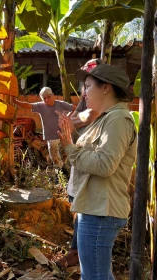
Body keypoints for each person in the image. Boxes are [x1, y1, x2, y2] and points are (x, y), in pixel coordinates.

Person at [57, 64, 137, 279]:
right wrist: (69, 137)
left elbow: (104, 165)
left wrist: (70, 148)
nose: (84, 92)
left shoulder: (118, 119)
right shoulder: (105, 118)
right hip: (95, 207)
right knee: (96, 274)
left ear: (106, 88)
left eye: (88, 86)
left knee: (94, 276)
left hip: (101, 211)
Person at [13, 87, 75, 173]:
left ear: (52, 95)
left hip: (63, 135)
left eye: (48, 97)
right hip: (51, 137)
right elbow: (27, 105)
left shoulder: (61, 104)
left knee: (65, 156)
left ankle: (66, 174)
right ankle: (60, 174)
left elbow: (74, 108)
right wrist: (16, 101)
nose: (46, 100)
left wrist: (67, 117)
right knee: (55, 158)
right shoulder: (40, 106)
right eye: (44, 98)